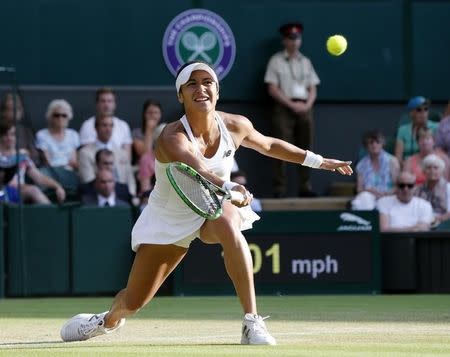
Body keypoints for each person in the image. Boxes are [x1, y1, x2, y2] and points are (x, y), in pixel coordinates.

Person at [60, 61, 352, 345]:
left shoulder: (236, 125)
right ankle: (106, 320)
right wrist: (231, 185)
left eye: (207, 82)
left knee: (229, 225)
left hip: (213, 206)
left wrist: (319, 161)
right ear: (181, 95)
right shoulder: (171, 136)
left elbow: (269, 144)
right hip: (170, 219)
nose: (201, 89)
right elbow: (199, 168)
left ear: (217, 90)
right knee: (134, 302)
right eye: (192, 84)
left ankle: (252, 321)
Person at [264, 23, 321, 197]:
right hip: (284, 106)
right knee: (280, 146)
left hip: (305, 107)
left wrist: (307, 105)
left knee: (306, 146)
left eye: (297, 38)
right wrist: (290, 104)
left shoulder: (306, 61)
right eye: (291, 38)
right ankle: (279, 188)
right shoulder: (276, 60)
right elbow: (272, 88)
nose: (294, 42)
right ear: (284, 40)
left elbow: (313, 87)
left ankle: (305, 186)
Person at [0, 122, 66, 204]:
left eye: (12, 134)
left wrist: (57, 186)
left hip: (18, 192)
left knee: (33, 190)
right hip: (1, 192)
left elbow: (39, 178)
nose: (9, 138)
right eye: (5, 135)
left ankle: (52, 215)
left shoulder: (22, 157)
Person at [78, 116, 136, 198]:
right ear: (96, 128)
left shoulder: (122, 153)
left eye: (111, 125)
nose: (108, 129)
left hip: (124, 198)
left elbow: (130, 179)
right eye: (104, 125)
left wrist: (132, 196)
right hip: (97, 198)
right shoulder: (85, 153)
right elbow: (88, 181)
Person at [351, 130, 400, 210]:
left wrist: (385, 193)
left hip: (388, 195)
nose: (374, 145)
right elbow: (359, 189)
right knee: (363, 199)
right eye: (371, 143)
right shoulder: (361, 165)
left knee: (384, 203)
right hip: (369, 196)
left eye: (377, 142)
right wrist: (370, 191)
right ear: (366, 146)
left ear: (382, 144)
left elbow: (398, 186)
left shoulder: (392, 161)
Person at [79, 87, 132, 159]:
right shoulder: (87, 125)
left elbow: (127, 157)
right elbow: (86, 156)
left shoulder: (123, 126)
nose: (106, 105)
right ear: (97, 104)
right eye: (103, 101)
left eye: (109, 101)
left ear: (114, 104)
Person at [36, 99, 80, 169]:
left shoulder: (73, 135)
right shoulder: (42, 135)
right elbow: (47, 161)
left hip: (69, 172)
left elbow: (73, 161)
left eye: (64, 115)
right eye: (56, 115)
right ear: (50, 117)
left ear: (69, 117)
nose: (60, 118)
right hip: (51, 172)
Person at [394, 96, 439, 164]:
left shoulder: (437, 127)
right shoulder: (402, 130)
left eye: (426, 109)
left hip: (431, 166)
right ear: (411, 113)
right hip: (408, 166)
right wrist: (409, 167)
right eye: (419, 109)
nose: (423, 112)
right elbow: (398, 157)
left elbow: (439, 152)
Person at [0, 92, 41, 165]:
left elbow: (36, 159)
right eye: (11, 109)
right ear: (3, 112)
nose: (16, 112)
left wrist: (26, 155)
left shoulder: (26, 132)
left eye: (18, 109)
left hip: (24, 170)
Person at [415, 154, 450, 227]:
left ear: (441, 171)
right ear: (424, 171)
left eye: (436, 168)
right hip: (421, 223)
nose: (432, 170)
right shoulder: (417, 189)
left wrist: (438, 219)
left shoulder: (448, 188)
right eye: (428, 168)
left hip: (444, 223)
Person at [132, 99, 163, 163]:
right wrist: (149, 130)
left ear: (160, 115)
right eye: (150, 112)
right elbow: (145, 154)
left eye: (156, 112)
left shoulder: (164, 130)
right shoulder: (136, 133)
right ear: (144, 114)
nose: (153, 115)